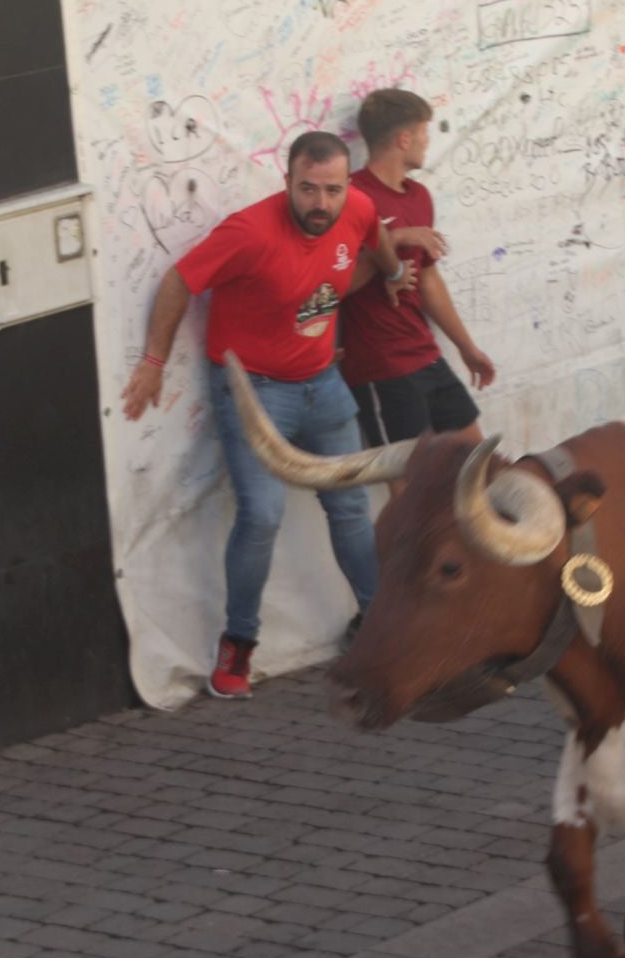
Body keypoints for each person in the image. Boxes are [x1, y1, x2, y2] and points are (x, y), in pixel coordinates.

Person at [121, 131, 416, 700]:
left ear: (346, 186)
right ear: (287, 182)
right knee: (261, 515)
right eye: (308, 189)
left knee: (351, 505)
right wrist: (153, 360)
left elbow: (374, 232)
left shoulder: (355, 208)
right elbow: (180, 280)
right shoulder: (249, 231)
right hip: (254, 393)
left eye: (331, 190)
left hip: (324, 385)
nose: (321, 204)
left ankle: (382, 628)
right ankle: (238, 646)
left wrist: (392, 272)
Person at [338, 89, 497, 494]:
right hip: (380, 366)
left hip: (426, 355)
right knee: (408, 494)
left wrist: (466, 347)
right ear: (403, 139)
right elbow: (334, 284)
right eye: (424, 132)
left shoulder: (420, 196)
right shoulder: (350, 196)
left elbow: (429, 281)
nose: (429, 140)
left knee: (480, 467)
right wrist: (394, 241)